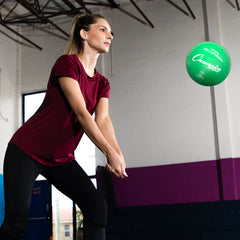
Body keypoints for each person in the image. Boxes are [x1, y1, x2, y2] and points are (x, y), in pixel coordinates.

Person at [0, 14, 127, 240]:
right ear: (84, 33)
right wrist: (107, 152)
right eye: (103, 29)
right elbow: (80, 112)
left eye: (111, 32)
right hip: (26, 151)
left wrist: (116, 152)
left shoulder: (102, 83)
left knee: (96, 206)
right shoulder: (67, 64)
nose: (110, 36)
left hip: (61, 158)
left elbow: (103, 120)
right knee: (16, 221)